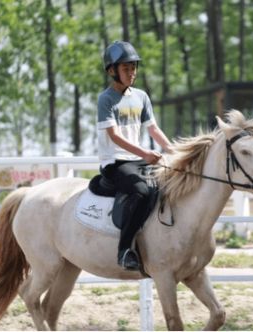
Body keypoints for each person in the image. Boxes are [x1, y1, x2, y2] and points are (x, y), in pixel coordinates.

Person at [97, 41, 172, 270]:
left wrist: (173, 151)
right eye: (126, 69)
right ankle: (124, 250)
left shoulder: (141, 96)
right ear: (112, 71)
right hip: (115, 162)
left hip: (136, 159)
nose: (132, 73)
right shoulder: (106, 99)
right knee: (140, 191)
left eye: (134, 68)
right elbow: (115, 136)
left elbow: (153, 130)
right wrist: (146, 153)